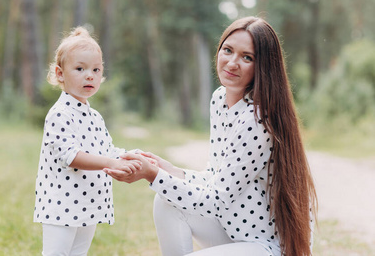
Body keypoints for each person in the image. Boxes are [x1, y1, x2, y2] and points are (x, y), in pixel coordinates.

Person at [105, 17, 318, 256]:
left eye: (247, 57)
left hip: (265, 246)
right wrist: (168, 169)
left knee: (165, 192)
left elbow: (215, 201)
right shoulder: (220, 99)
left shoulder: (257, 120)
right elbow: (216, 178)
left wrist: (153, 175)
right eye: (228, 50)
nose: (232, 63)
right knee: (166, 202)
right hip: (232, 230)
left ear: (263, 67)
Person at [34, 27, 141, 256]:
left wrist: (129, 156)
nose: (89, 75)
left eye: (95, 69)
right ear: (60, 73)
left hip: (88, 204)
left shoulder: (94, 116)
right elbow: (71, 156)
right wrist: (112, 164)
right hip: (62, 205)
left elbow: (107, 150)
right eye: (80, 69)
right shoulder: (60, 113)